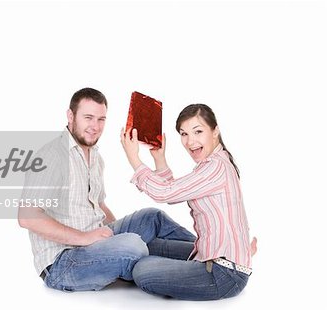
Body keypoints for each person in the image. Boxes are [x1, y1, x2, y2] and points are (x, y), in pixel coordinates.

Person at [18, 88, 196, 292]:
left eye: (101, 119)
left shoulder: (95, 157)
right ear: (70, 116)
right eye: (88, 118)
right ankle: (178, 265)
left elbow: (99, 205)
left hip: (96, 239)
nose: (95, 126)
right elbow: (27, 217)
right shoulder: (52, 156)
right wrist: (86, 238)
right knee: (134, 246)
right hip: (63, 263)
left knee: (151, 217)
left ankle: (206, 255)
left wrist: (119, 235)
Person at [120, 103, 254, 300]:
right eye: (184, 134)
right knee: (145, 245)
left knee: (142, 269)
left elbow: (165, 193)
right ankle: (116, 252)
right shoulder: (213, 164)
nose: (190, 141)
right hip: (209, 254)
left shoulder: (216, 167)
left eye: (198, 131)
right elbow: (175, 191)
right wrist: (159, 158)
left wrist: (134, 159)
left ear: (215, 131)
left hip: (224, 275)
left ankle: (117, 258)